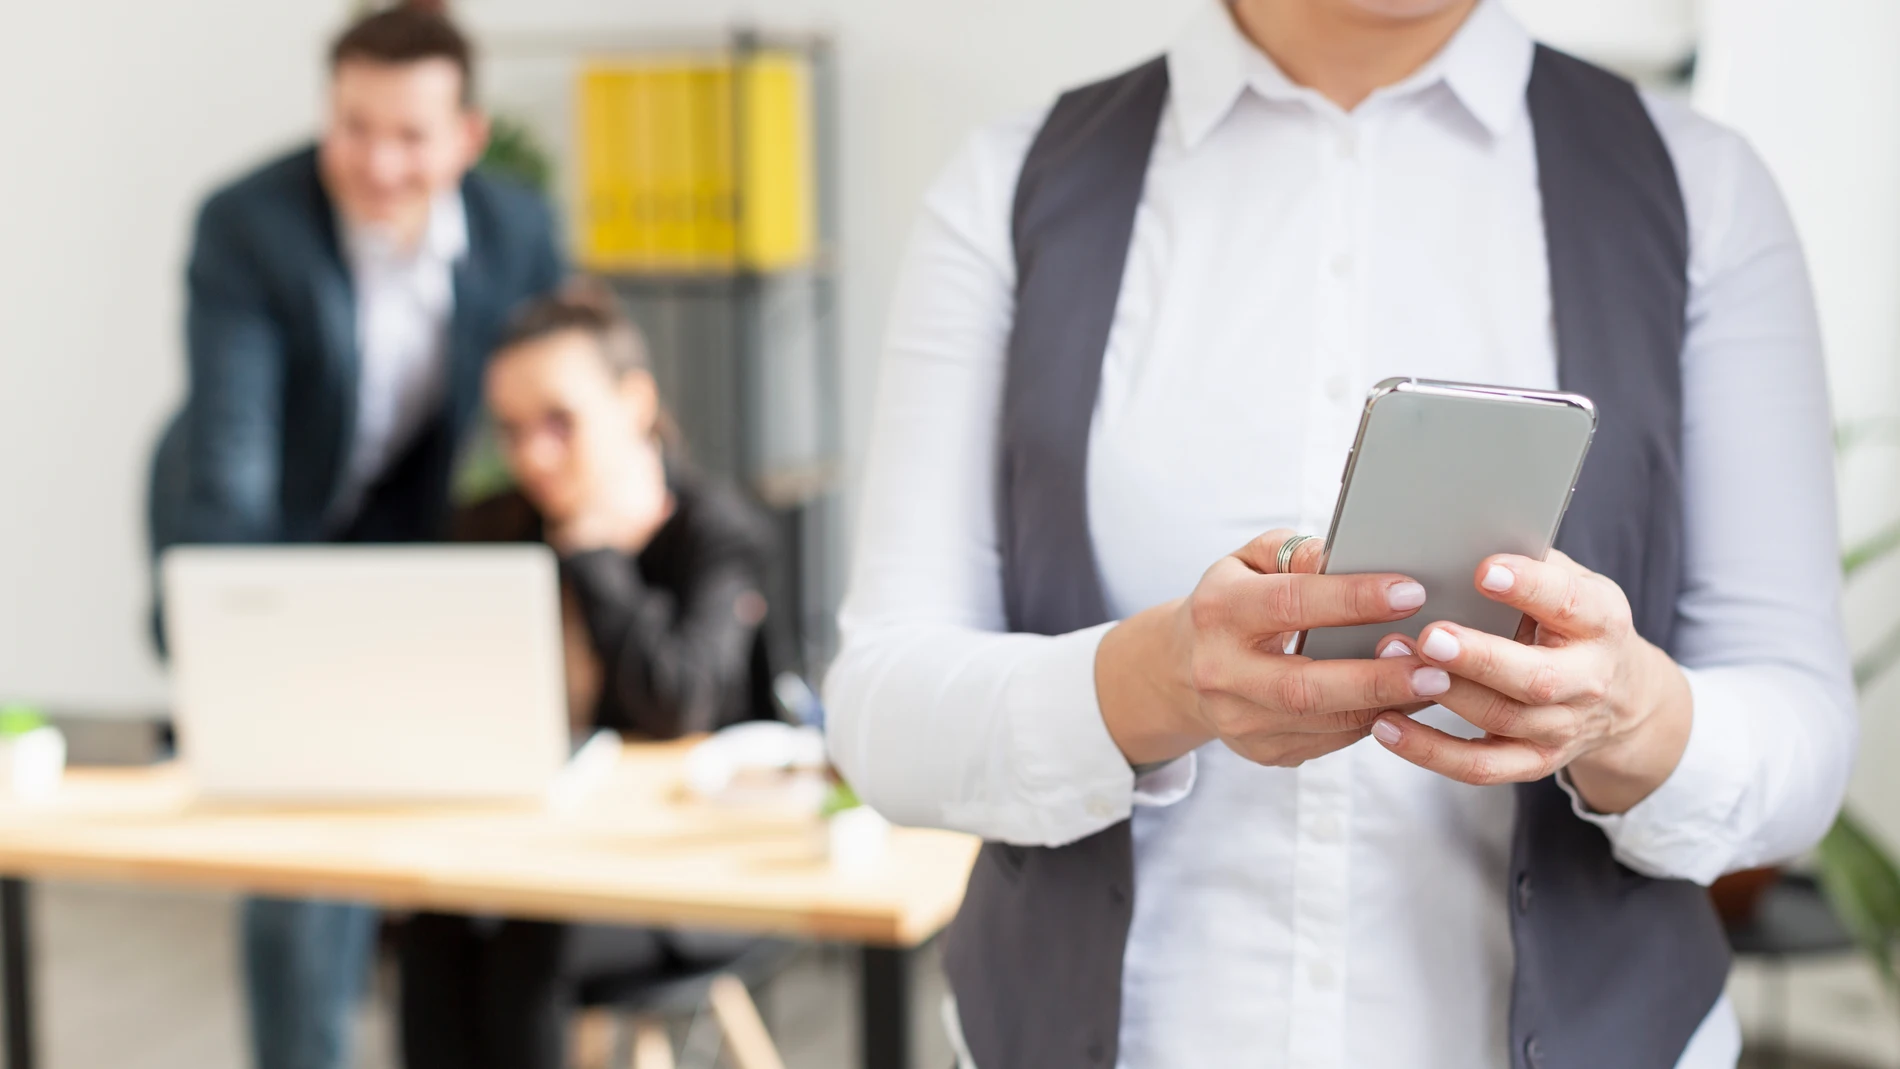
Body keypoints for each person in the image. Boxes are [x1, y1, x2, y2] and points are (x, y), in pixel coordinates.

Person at [824, 1, 1856, 1067]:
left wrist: (1627, 711)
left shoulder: (1702, 189)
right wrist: (1159, 681)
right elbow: (880, 707)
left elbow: (1803, 733)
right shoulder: (1009, 187)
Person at [144, 7, 562, 1069]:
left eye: (410, 135)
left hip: (403, 542)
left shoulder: (517, 231)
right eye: (353, 126)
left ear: (466, 137)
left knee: (432, 843)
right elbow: (234, 454)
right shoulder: (250, 224)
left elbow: (551, 399)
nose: (378, 162)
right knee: (301, 855)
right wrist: (235, 648)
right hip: (262, 530)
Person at [397, 286, 776, 1069]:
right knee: (433, 929)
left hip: (692, 871)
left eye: (560, 422)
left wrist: (596, 555)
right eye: (511, 430)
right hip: (532, 846)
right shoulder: (495, 526)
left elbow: (678, 701)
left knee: (529, 944)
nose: (534, 455)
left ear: (635, 403)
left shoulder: (717, 535)